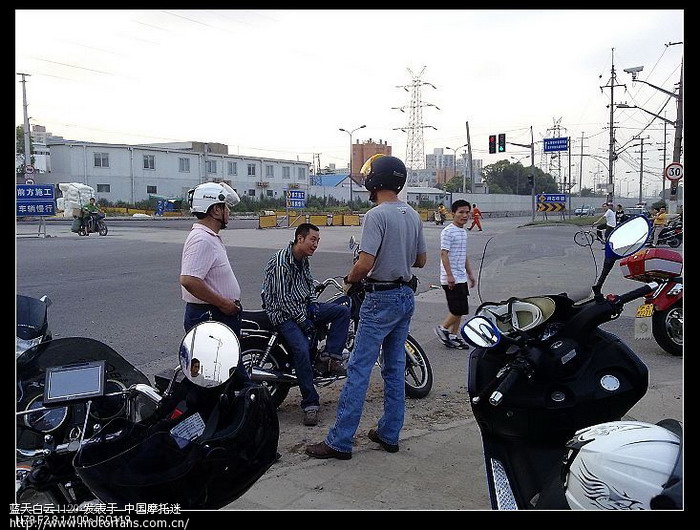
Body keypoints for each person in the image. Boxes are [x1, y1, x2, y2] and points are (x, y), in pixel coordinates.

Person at [305, 154, 427, 460]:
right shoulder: (412, 214)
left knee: (359, 369)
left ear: (375, 180)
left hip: (380, 298)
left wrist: (350, 277)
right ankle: (389, 433)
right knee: (395, 367)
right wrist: (397, 255)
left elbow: (365, 263)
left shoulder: (376, 216)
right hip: (404, 297)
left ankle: (340, 441)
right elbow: (420, 261)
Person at [261, 223, 351, 427]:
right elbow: (283, 301)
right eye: (313, 240)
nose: (316, 244)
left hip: (302, 309)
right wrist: (305, 322)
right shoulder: (281, 263)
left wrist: (312, 304)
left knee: (341, 312)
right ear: (300, 238)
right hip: (283, 315)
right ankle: (310, 403)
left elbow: (308, 284)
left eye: (318, 241)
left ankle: (329, 358)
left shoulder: (303, 260)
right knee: (301, 350)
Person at [179, 182, 249, 384]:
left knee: (224, 375)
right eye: (225, 207)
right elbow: (189, 280)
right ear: (215, 209)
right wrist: (223, 303)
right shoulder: (202, 239)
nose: (228, 212)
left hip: (217, 315)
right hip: (210, 316)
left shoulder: (210, 237)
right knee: (218, 377)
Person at [434, 199, 477, 350]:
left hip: (461, 276)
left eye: (467, 212)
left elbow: (463, 255)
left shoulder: (463, 232)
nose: (465, 215)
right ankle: (443, 328)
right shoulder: (448, 232)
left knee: (460, 309)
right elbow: (444, 254)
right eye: (461, 212)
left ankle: (453, 336)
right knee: (457, 309)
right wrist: (450, 276)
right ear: (453, 214)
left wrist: (470, 274)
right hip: (450, 278)